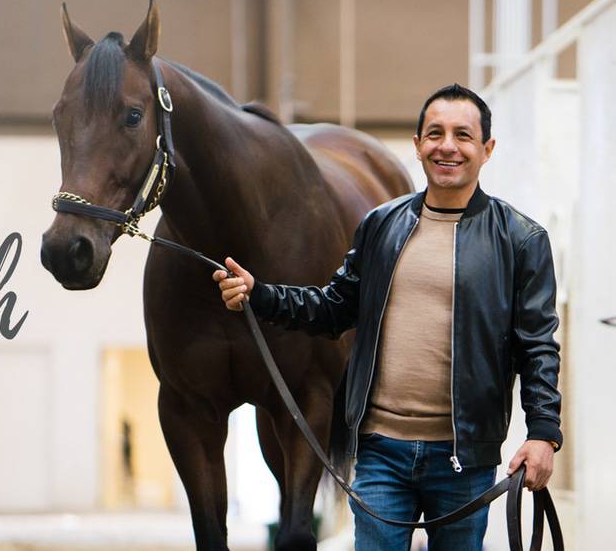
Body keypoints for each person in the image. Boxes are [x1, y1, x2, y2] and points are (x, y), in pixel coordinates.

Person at [212, 84, 562, 551]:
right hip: (381, 453)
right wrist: (262, 296)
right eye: (434, 133)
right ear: (418, 146)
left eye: (463, 134)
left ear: (486, 149)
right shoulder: (382, 226)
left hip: (465, 458)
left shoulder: (520, 239)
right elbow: (334, 308)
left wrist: (543, 434)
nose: (447, 146)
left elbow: (537, 345)